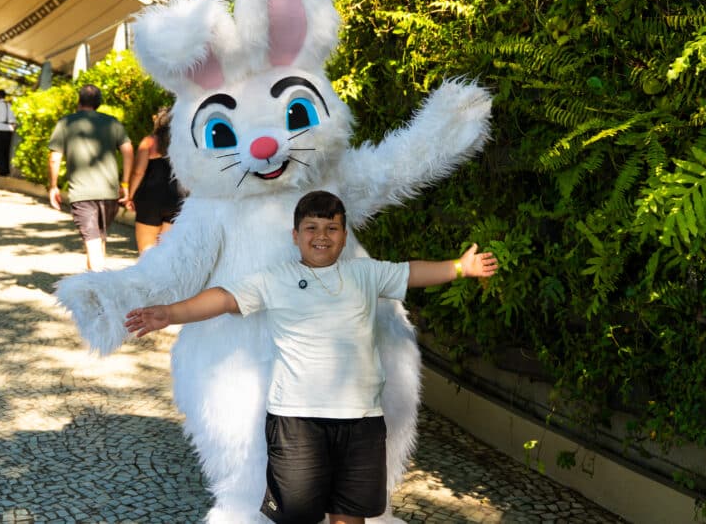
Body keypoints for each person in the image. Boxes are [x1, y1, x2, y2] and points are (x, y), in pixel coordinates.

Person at [124, 190, 499, 524]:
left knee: (349, 514)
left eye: (331, 228)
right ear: (295, 236)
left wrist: (458, 268)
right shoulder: (275, 278)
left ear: (344, 235)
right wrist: (170, 313)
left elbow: (411, 271)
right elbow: (223, 298)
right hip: (296, 421)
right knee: (297, 517)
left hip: (361, 421)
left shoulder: (365, 274)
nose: (321, 236)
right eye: (311, 228)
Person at [48, 84, 134, 271]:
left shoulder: (66, 123)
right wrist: (125, 182)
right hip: (110, 193)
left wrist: (53, 186)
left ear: (79, 101)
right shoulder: (112, 122)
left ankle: (100, 292)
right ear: (98, 103)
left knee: (93, 243)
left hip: (82, 193)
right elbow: (128, 149)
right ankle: (91, 288)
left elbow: (54, 158)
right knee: (98, 240)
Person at [125, 107, 183, 253]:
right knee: (167, 252)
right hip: (176, 198)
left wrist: (130, 196)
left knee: (147, 253)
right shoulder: (185, 144)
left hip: (150, 199)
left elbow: (138, 172)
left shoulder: (149, 142)